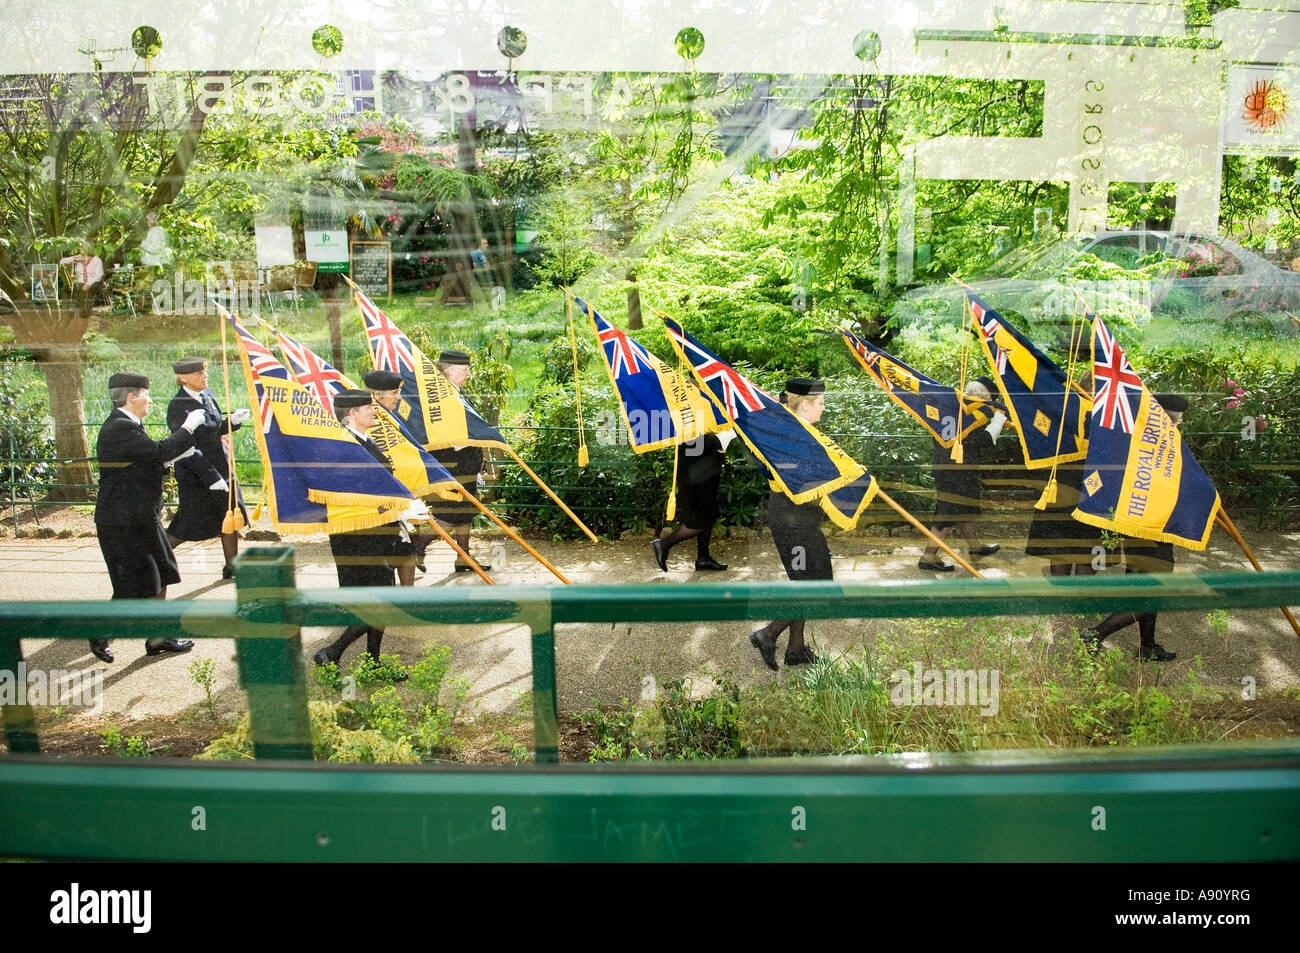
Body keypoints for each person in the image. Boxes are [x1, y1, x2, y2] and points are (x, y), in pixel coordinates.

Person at [90, 372, 208, 663]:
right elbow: (157, 452)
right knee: (131, 585)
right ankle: (98, 633)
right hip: (122, 522)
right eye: (146, 394)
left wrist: (170, 459)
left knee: (162, 574)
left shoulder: (129, 426)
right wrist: (188, 427)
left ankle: (158, 637)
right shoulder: (119, 427)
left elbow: (145, 462)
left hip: (141, 516)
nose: (150, 399)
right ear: (132, 397)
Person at [312, 390, 423, 669]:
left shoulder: (362, 439)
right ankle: (331, 653)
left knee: (381, 597)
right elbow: (356, 492)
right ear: (352, 414)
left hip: (377, 532)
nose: (374, 411)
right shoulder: (342, 445)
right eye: (368, 408)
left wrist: (399, 510)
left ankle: (372, 663)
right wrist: (397, 508)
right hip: (356, 537)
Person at [1081, 393, 1189, 662]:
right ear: (1174, 420)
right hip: (1154, 529)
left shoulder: (1136, 442)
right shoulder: (1166, 447)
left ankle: (1148, 646)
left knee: (1143, 588)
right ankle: (1096, 635)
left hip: (1135, 526)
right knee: (1151, 593)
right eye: (1180, 419)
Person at [748, 379, 832, 671]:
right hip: (792, 520)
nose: (823, 408)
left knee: (806, 582)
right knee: (815, 585)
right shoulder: (789, 436)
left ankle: (796, 648)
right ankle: (768, 633)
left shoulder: (794, 432)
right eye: (820, 403)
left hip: (799, 517)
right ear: (806, 404)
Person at [165, 358, 251, 579]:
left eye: (204, 372)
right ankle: (156, 557)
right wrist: (211, 477)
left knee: (230, 514)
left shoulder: (207, 393)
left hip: (221, 466)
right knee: (189, 522)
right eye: (198, 374)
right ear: (183, 378)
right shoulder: (178, 405)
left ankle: (232, 566)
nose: (205, 377)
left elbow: (212, 429)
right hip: (197, 472)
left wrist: (232, 421)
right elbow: (185, 445)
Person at [917, 377, 1007, 571]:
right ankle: (928, 556)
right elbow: (983, 439)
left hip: (948, 468)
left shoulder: (951, 406)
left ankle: (974, 547)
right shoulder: (970, 415)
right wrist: (999, 420)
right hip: (957, 472)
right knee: (946, 515)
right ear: (984, 398)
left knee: (963, 508)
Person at [1026, 370, 1103, 577]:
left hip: (1062, 487)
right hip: (1095, 490)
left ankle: (1060, 598)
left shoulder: (1062, 409)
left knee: (1060, 548)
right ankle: (1081, 603)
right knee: (1088, 550)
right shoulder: (1108, 417)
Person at [428, 350, 490, 574]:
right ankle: (416, 546)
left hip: (466, 462)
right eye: (464, 370)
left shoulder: (457, 392)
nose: (469, 374)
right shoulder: (442, 397)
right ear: (450, 371)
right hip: (451, 464)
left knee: (467, 512)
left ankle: (463, 558)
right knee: (449, 514)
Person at [365, 368, 422, 585]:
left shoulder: (394, 415)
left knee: (407, 550)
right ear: (377, 396)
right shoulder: (367, 420)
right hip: (376, 505)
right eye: (394, 393)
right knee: (392, 554)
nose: (399, 397)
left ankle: (407, 599)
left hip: (399, 496)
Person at [652, 429, 734, 572]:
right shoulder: (694, 426)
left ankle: (703, 559)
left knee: (707, 517)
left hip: (701, 477)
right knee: (697, 522)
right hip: (697, 480)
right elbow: (711, 443)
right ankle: (663, 544)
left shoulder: (698, 422)